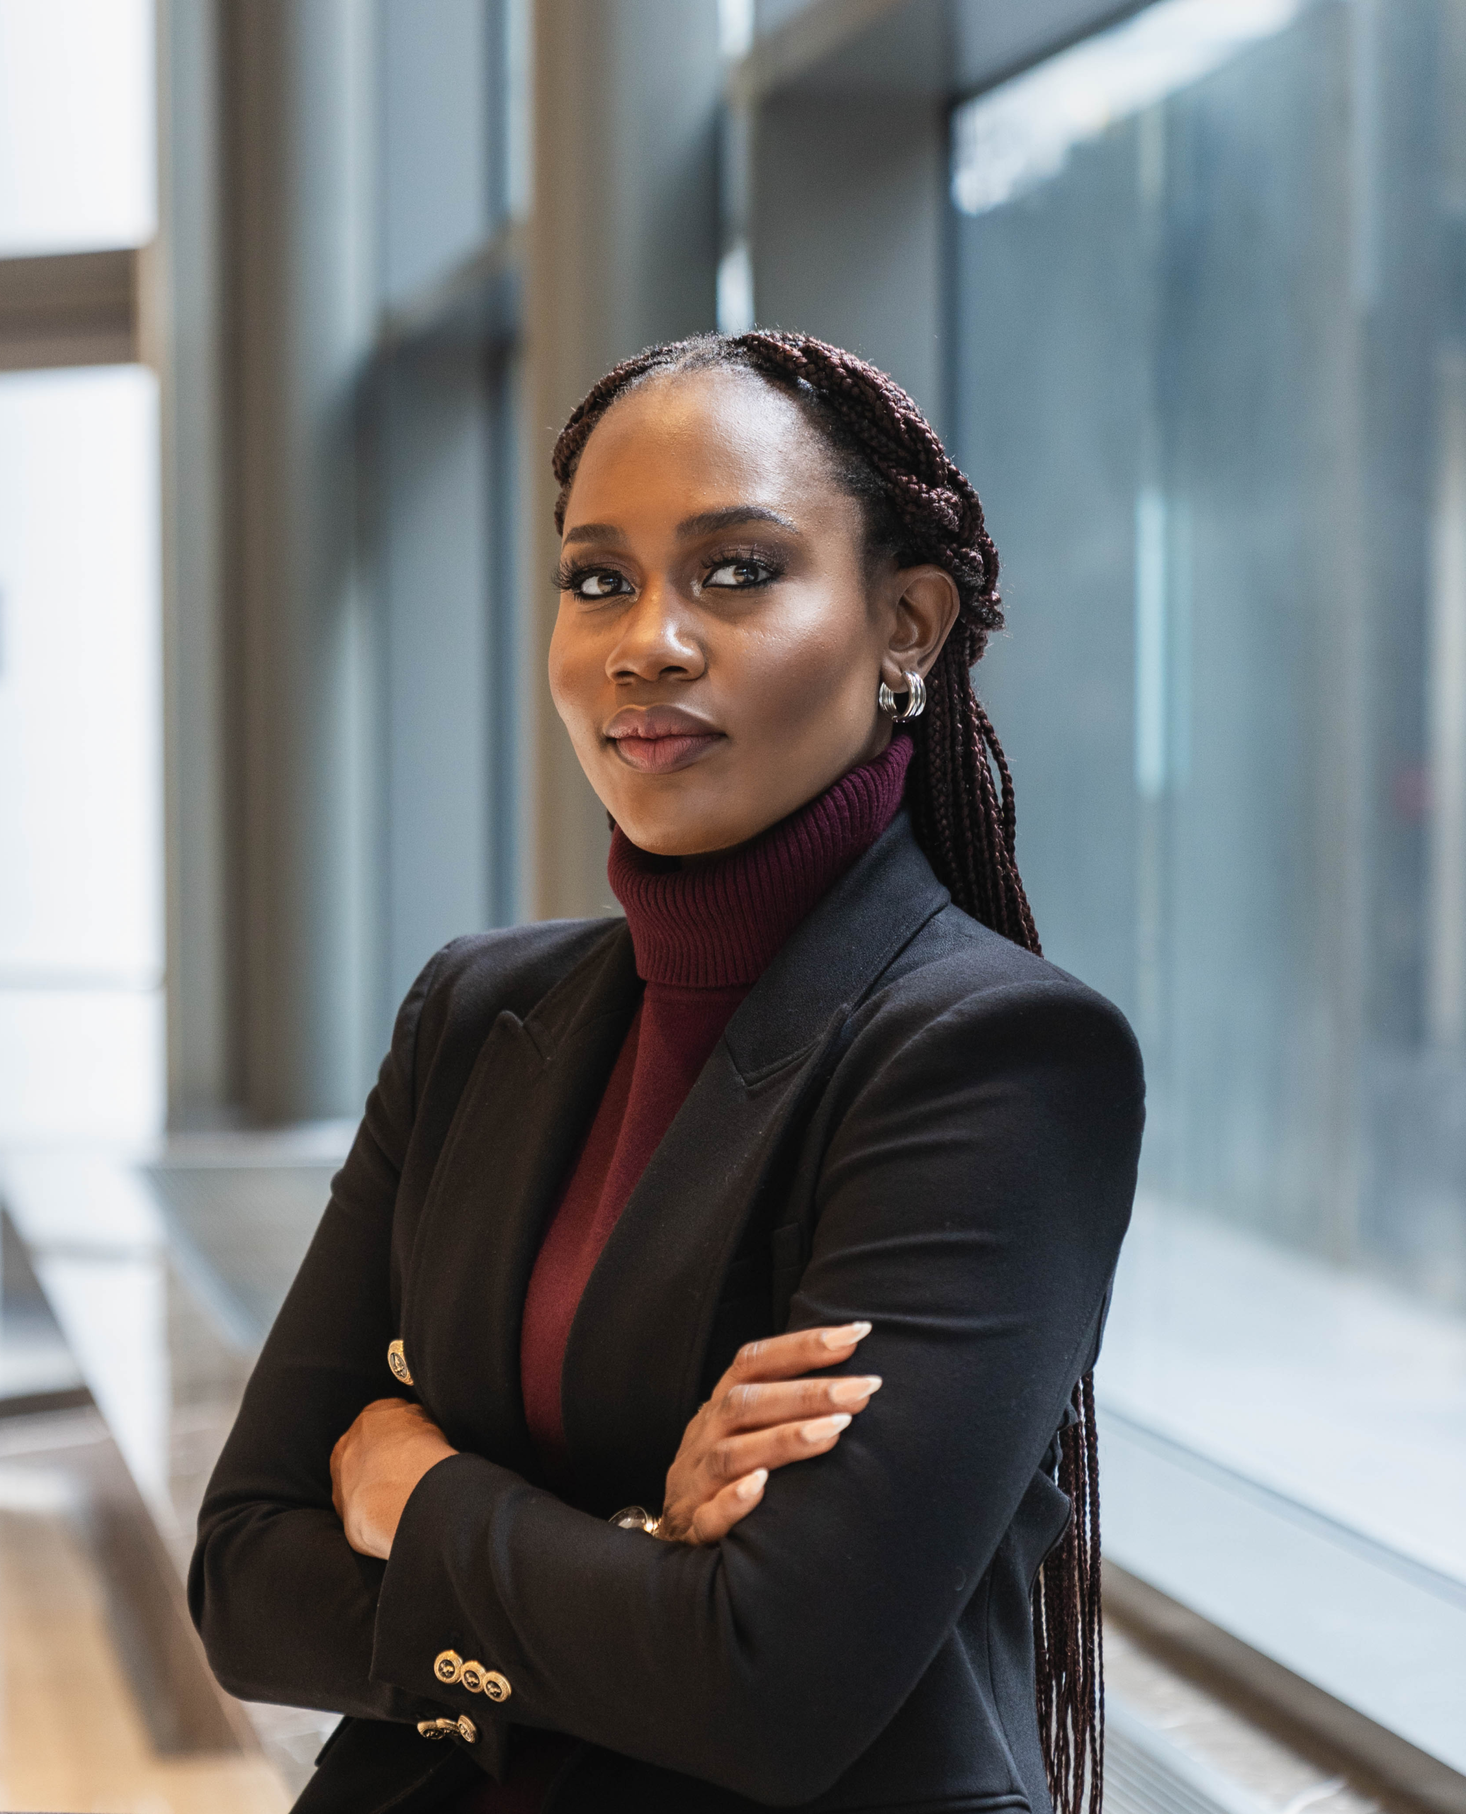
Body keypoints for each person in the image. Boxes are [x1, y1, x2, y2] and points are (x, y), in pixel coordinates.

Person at [188, 331, 1144, 1814]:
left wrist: (418, 1490)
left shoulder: (993, 1058)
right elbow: (248, 1574)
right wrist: (642, 1549)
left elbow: (767, 1685)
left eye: (738, 570)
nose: (648, 640)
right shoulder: (471, 1014)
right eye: (598, 578)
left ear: (907, 622)